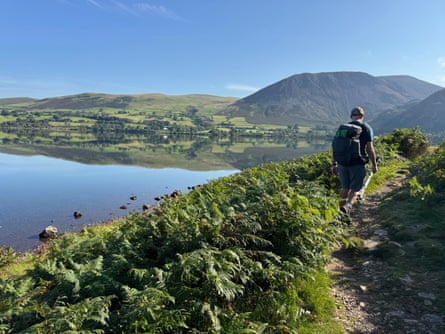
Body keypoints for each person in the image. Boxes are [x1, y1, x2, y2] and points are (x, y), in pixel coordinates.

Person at [332, 106, 378, 214]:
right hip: (357, 163)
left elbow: (336, 147)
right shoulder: (366, 128)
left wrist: (334, 164)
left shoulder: (343, 128)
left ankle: (340, 214)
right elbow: (370, 148)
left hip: (343, 164)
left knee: (344, 188)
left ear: (351, 116)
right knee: (355, 189)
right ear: (362, 116)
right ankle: (348, 206)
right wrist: (374, 164)